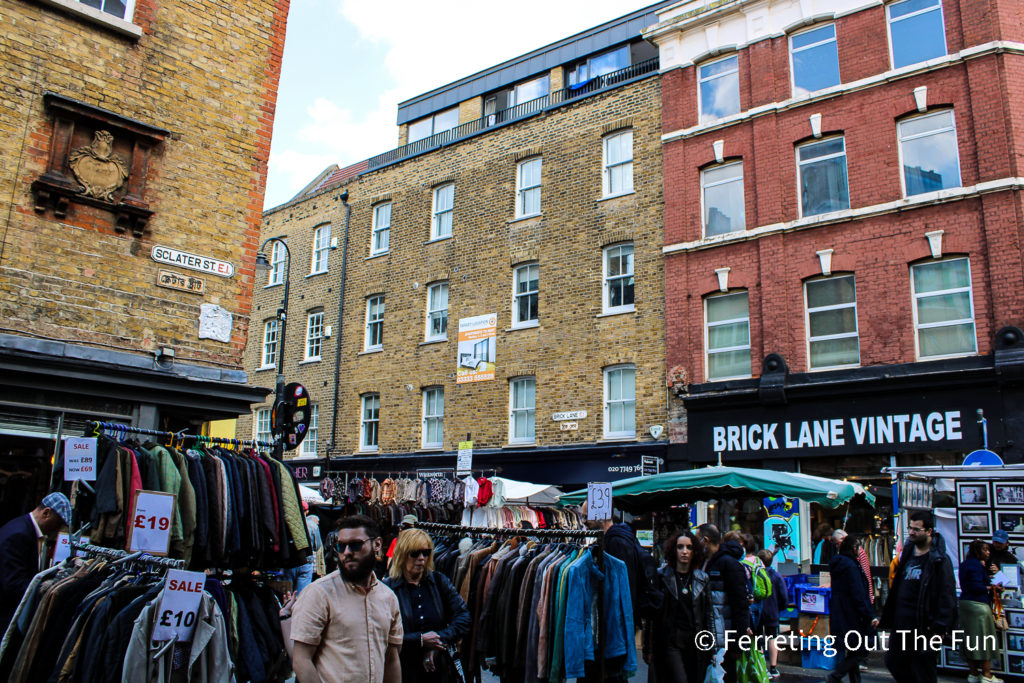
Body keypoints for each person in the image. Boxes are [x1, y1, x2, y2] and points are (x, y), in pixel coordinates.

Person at [290, 514, 403, 683]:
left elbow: (391, 658)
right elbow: (301, 660)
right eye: (341, 547)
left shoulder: (388, 597)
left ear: (377, 544)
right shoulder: (319, 593)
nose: (347, 553)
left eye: (356, 545)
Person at [383, 528, 470, 683]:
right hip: (403, 670)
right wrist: (420, 640)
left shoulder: (438, 581)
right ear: (403, 554)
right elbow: (382, 634)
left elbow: (463, 617)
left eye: (426, 553)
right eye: (415, 553)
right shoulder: (388, 590)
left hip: (439, 670)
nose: (421, 558)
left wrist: (438, 641)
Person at [881, 510, 956, 683]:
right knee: (893, 661)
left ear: (929, 531)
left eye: (916, 529)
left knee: (923, 669)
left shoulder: (939, 560)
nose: (912, 532)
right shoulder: (907, 555)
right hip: (902, 624)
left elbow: (947, 594)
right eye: (910, 528)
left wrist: (940, 626)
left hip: (923, 626)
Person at [0, 492, 71, 635]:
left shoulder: (21, 527)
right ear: (46, 513)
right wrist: (44, 590)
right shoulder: (20, 534)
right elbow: (14, 584)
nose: (57, 529)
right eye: (58, 523)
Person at [645, 530, 708, 683]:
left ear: (695, 551)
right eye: (680, 547)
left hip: (694, 641)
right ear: (674, 550)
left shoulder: (701, 578)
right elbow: (652, 615)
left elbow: (709, 613)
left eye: (689, 547)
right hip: (670, 640)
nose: (684, 552)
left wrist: (710, 647)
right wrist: (649, 647)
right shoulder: (662, 576)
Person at [696, 523, 750, 683]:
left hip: (725, 641)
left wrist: (737, 643)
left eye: (697, 539)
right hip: (707, 638)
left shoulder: (729, 564)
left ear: (705, 540)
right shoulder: (704, 563)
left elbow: (740, 606)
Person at [827, 534, 878, 683]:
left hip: (841, 613)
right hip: (853, 615)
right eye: (858, 547)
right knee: (860, 650)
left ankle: (854, 680)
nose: (859, 550)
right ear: (853, 548)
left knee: (854, 649)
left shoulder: (839, 564)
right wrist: (870, 615)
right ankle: (836, 675)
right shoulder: (851, 566)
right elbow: (858, 592)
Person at [959, 540, 1002, 683]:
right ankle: (987, 675)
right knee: (985, 640)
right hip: (978, 606)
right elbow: (977, 587)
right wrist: (992, 587)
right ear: (978, 551)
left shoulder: (965, 564)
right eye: (985, 550)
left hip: (965, 604)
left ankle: (973, 673)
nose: (988, 552)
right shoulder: (977, 566)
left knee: (971, 640)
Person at [757, 549, 789, 680]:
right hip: (772, 611)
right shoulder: (776, 576)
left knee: (758, 638)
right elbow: (784, 596)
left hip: (758, 611)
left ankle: (761, 666)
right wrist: (781, 608)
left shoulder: (756, 574)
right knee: (772, 638)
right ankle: (773, 667)